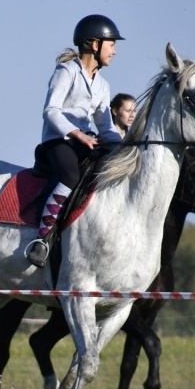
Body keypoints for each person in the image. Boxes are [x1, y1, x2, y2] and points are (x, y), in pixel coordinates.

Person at [25, 14, 125, 268]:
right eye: (111, 44)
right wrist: (78, 134)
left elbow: (106, 127)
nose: (114, 51)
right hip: (58, 141)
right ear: (94, 44)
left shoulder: (103, 85)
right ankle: (42, 238)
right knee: (70, 176)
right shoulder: (66, 71)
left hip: (85, 142)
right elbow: (50, 111)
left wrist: (125, 147)